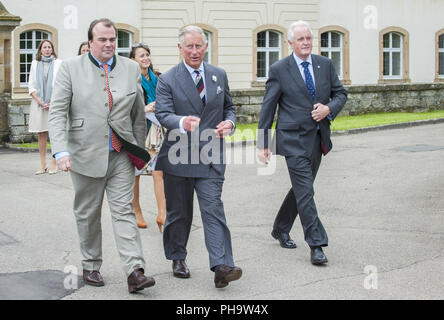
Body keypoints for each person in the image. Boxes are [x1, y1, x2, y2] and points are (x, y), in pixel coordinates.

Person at [48, 18, 154, 293]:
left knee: (124, 212)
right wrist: (60, 150)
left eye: (113, 39)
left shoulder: (131, 68)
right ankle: (91, 264)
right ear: (91, 41)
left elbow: (137, 114)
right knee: (88, 214)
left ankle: (135, 270)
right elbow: (58, 112)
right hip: (84, 154)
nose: (108, 44)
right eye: (102, 40)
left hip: (120, 154)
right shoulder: (71, 68)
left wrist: (139, 152)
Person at [155, 25, 242, 288]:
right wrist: (182, 122)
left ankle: (222, 265)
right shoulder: (168, 79)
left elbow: (229, 108)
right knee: (179, 213)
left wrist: (230, 123)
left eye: (199, 46)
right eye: (189, 46)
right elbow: (162, 113)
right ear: (180, 48)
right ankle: (177, 256)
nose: (195, 51)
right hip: (178, 156)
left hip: (211, 155)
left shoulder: (218, 75)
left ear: (206, 47)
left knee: (213, 209)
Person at [257, 21, 347, 266]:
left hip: (317, 139)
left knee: (302, 190)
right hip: (292, 139)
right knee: (306, 191)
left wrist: (329, 108)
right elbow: (268, 106)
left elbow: (341, 94)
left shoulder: (324, 64)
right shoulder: (279, 69)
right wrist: (263, 143)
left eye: (308, 38)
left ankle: (280, 228)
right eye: (301, 39)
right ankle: (316, 244)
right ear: (290, 43)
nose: (306, 42)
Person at [129, 43, 166, 232]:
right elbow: (124, 108)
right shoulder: (129, 80)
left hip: (156, 131)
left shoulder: (157, 79)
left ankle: (162, 214)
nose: (145, 58)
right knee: (136, 174)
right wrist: (144, 109)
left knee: (158, 172)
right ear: (133, 59)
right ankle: (136, 210)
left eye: (147, 55)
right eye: (141, 55)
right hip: (137, 132)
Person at [28, 40, 61, 175]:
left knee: (54, 133)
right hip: (39, 103)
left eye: (49, 47)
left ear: (52, 49)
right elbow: (31, 85)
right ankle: (43, 164)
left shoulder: (59, 63)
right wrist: (40, 101)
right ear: (40, 50)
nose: (47, 49)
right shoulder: (35, 64)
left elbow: (60, 83)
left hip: (54, 102)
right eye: (44, 47)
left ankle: (54, 163)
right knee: (41, 133)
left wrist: (53, 100)